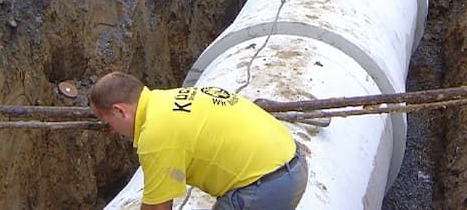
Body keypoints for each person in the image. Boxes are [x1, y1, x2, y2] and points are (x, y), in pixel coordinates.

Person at [90, 72, 307, 210]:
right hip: (292, 163)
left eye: (106, 121)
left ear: (119, 110)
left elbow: (158, 208)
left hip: (264, 188)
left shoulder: (156, 134)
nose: (110, 130)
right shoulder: (167, 99)